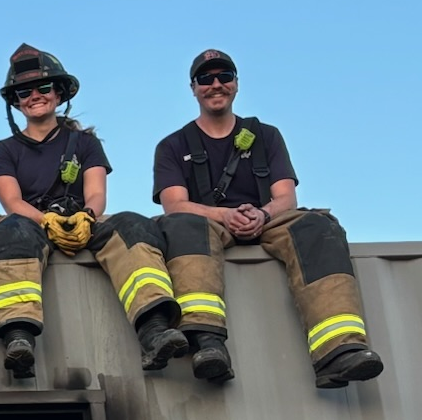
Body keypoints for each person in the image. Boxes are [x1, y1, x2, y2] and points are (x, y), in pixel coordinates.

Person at [152, 49, 382, 388]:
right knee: (182, 226)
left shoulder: (267, 136)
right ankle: (208, 344)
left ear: (236, 84)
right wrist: (225, 214)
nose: (215, 85)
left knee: (319, 227)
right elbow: (175, 204)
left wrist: (261, 214)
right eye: (206, 79)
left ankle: (339, 351)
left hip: (267, 218)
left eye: (224, 77)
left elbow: (286, 197)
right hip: (207, 222)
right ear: (193, 88)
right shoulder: (172, 145)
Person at [0, 46, 187, 379]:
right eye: (24, 91)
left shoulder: (85, 144)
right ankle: (19, 338)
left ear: (58, 93)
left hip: (84, 222)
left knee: (132, 225)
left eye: (44, 87)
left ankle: (155, 330)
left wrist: (86, 215)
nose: (35, 95)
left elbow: (96, 193)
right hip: (30, 222)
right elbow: (13, 202)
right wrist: (45, 219)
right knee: (10, 230)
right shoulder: (3, 151)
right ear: (15, 102)